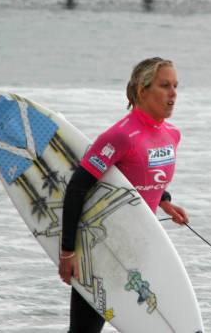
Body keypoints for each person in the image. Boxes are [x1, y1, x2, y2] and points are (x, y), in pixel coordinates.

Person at [59, 57, 189, 333]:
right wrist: (68, 251)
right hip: (102, 249)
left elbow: (142, 175)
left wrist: (164, 200)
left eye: (175, 85)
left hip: (142, 245)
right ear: (142, 91)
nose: (173, 93)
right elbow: (78, 187)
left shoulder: (172, 135)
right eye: (165, 85)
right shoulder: (121, 136)